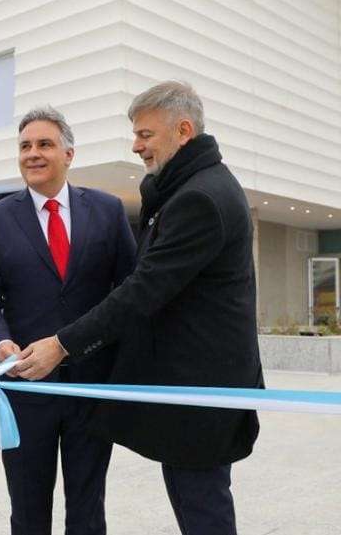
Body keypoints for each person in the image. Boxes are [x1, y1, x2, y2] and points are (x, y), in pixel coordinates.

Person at [20, 82, 263, 535]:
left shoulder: (199, 199)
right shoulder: (189, 188)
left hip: (200, 396)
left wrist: (62, 344)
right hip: (191, 395)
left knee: (203, 510)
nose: (136, 146)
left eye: (146, 135)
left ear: (183, 130)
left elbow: (142, 290)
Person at [0, 106, 137, 535]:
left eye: (44, 144)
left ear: (69, 153)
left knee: (87, 509)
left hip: (92, 386)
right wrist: (0, 344)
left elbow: (130, 290)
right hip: (24, 389)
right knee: (27, 511)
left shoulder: (108, 211)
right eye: (25, 146)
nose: (32, 154)